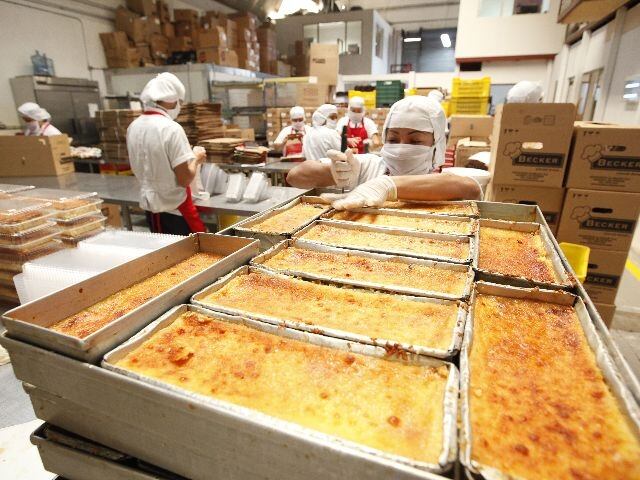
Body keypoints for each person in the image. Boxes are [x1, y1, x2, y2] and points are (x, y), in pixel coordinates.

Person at [287, 95, 481, 210]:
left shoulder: (443, 183)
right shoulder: (368, 166)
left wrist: (388, 186)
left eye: (415, 141)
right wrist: (333, 172)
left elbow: (470, 189)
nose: (401, 148)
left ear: (437, 144)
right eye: (393, 139)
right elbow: (295, 177)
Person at [127, 72, 207, 235]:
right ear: (172, 100)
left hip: (151, 208)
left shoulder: (134, 127)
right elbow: (184, 179)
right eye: (179, 102)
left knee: (164, 249)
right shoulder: (171, 129)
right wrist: (196, 159)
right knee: (192, 250)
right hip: (176, 210)